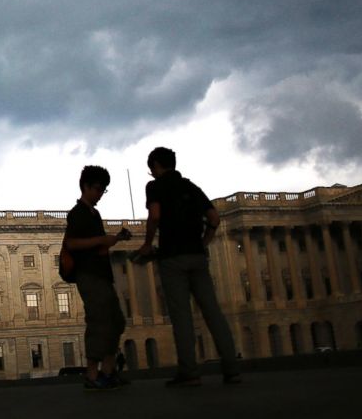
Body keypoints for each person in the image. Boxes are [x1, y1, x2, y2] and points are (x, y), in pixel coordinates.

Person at [136, 147, 241, 387]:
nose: (151, 172)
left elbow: (154, 215)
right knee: (212, 311)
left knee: (181, 316)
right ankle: (232, 369)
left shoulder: (155, 187)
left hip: (172, 256)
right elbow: (214, 219)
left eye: (151, 168)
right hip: (197, 255)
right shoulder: (191, 187)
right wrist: (203, 243)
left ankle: (190, 373)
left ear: (156, 165)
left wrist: (147, 243)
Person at [64, 165, 126, 391]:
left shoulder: (95, 214)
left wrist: (113, 240)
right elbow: (72, 244)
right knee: (99, 321)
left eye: (104, 190)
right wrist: (101, 241)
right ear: (85, 186)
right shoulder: (77, 213)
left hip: (102, 273)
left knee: (116, 321)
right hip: (88, 274)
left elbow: (97, 246)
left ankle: (108, 371)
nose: (100, 194)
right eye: (98, 189)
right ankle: (91, 375)